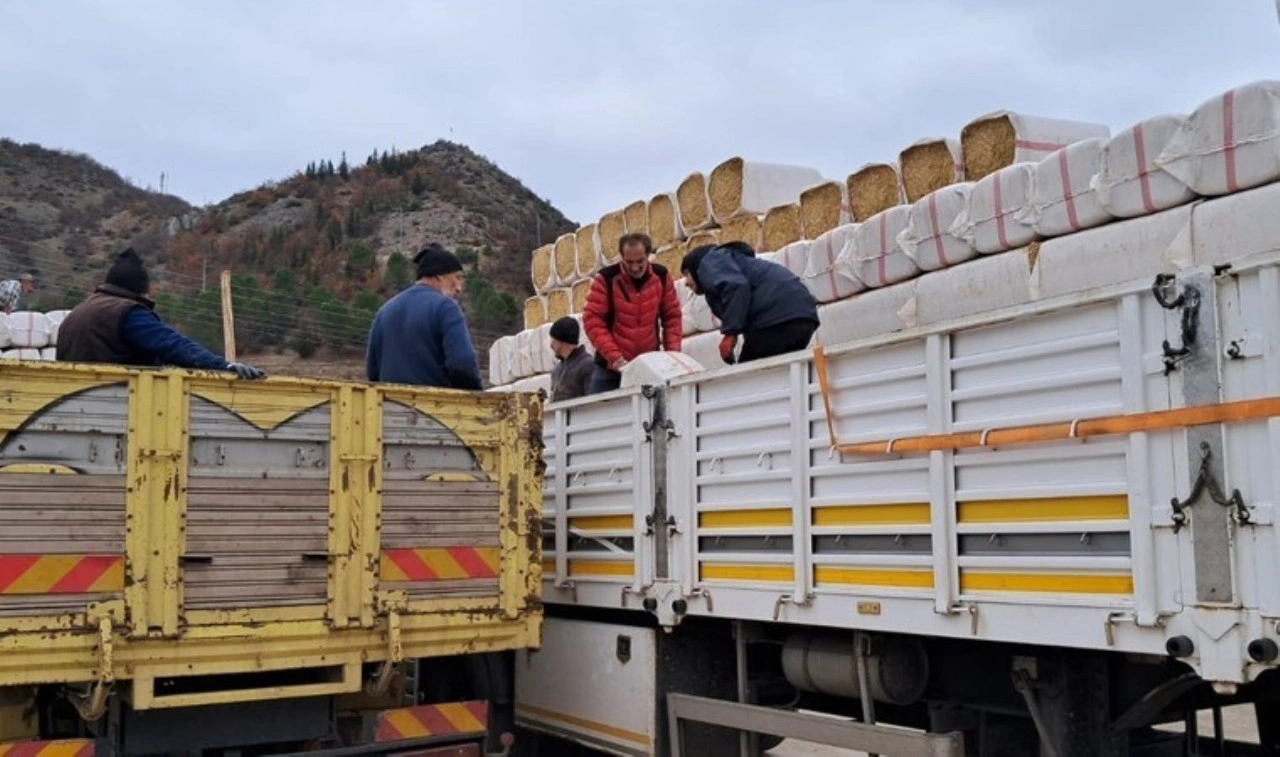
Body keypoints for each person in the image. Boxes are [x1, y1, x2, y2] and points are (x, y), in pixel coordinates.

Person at [57, 248, 264, 378]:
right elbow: (173, 345)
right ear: (139, 288)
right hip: (118, 405)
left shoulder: (79, 311)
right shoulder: (126, 312)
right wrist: (224, 366)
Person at [680, 242, 819, 365]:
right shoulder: (738, 263)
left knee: (747, 380)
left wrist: (730, 333)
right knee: (776, 377)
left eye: (687, 274)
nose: (685, 282)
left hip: (779, 319)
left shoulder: (709, 262)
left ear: (696, 267)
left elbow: (736, 287)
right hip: (803, 317)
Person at [366, 243, 482, 390]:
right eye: (457, 278)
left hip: (389, 408)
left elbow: (373, 371)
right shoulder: (446, 307)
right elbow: (462, 364)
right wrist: (477, 398)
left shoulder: (384, 311)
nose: (459, 288)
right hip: (434, 407)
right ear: (440, 276)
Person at [581, 233, 682, 394]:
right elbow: (592, 320)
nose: (635, 267)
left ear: (648, 256)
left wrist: (673, 355)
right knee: (601, 414)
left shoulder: (661, 276)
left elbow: (672, 316)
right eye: (629, 262)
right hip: (610, 368)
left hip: (649, 365)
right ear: (621, 257)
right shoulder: (606, 279)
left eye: (640, 261)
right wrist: (614, 357)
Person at [547, 316, 592, 402]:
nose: (551, 345)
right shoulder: (556, 370)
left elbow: (592, 403)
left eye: (554, 340)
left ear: (562, 341)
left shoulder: (587, 365)